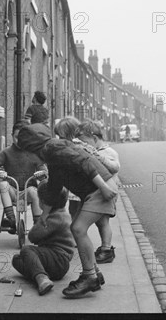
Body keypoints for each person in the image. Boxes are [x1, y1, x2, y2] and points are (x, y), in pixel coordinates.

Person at [17, 122, 118, 299]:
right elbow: (54, 188)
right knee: (77, 229)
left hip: (99, 190)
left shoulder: (51, 148)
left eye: (28, 151)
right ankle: (94, 272)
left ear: (32, 146)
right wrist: (44, 217)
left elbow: (83, 161)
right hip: (94, 191)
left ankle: (89, 277)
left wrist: (103, 187)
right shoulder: (52, 153)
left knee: (78, 229)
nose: (30, 156)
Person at [11, 182, 75, 296]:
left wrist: (43, 215)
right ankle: (41, 273)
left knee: (26, 250)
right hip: (56, 262)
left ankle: (41, 278)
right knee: (16, 259)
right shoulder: (62, 213)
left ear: (44, 203)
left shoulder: (53, 218)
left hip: (58, 260)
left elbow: (32, 236)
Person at [0, 120, 47, 233]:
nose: (19, 141)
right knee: (3, 184)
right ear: (12, 136)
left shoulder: (34, 153)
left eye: (23, 138)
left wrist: (41, 173)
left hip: (28, 190)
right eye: (17, 137)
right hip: (13, 191)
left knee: (34, 192)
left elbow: (43, 169)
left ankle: (38, 225)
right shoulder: (7, 152)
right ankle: (11, 219)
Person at [75, 121, 120, 264]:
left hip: (107, 192)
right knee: (101, 222)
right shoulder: (93, 150)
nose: (85, 145)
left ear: (94, 139)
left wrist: (97, 156)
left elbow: (115, 167)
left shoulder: (108, 152)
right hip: (98, 192)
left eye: (86, 142)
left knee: (104, 222)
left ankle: (107, 249)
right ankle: (105, 248)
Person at [53, 116, 82, 218]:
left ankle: (75, 231)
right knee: (71, 210)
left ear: (71, 134)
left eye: (61, 137)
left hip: (78, 185)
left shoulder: (78, 147)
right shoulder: (64, 146)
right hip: (68, 184)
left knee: (75, 211)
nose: (59, 140)